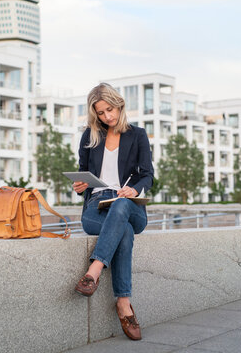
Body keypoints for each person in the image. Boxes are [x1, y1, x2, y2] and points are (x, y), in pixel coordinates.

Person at [72, 83, 154, 341]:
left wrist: (134, 190)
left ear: (119, 105)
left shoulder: (138, 135)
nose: (107, 116)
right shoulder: (89, 136)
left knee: (121, 210)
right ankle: (123, 303)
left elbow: (148, 175)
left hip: (128, 204)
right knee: (124, 232)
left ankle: (94, 271)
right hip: (96, 207)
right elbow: (83, 172)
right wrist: (79, 186)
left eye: (110, 109)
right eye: (101, 112)